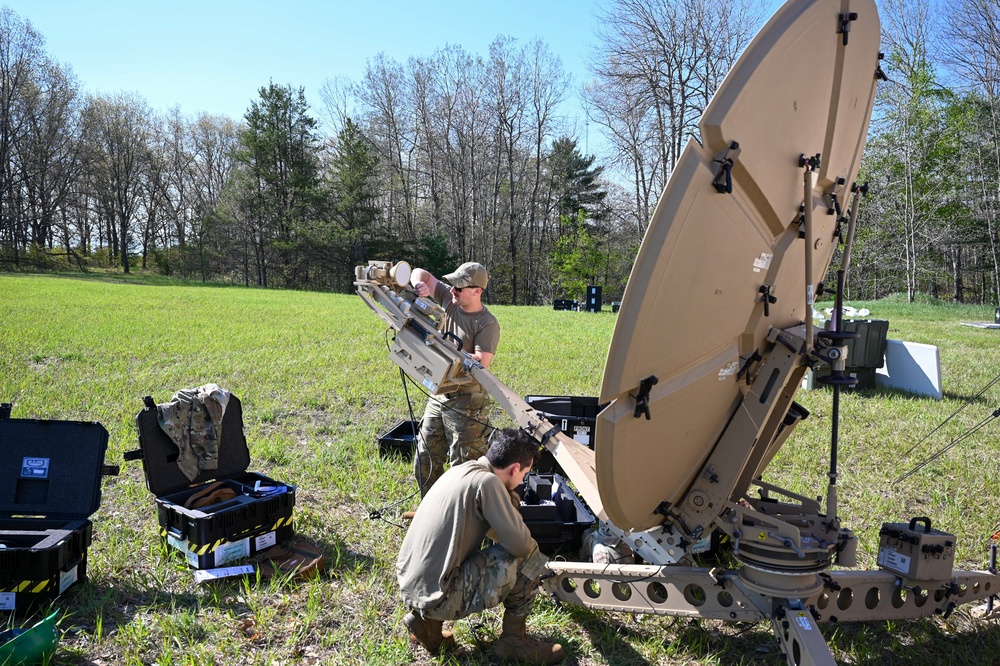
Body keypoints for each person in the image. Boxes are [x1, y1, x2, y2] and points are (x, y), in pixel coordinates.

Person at [396, 428, 565, 664]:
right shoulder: (488, 483)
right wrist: (511, 499)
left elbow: (495, 533)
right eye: (524, 474)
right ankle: (513, 642)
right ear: (515, 468)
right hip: (439, 596)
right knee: (530, 557)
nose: (522, 481)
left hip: (414, 586)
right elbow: (520, 545)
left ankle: (429, 625)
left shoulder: (462, 470)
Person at [408, 261, 500, 496]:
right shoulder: (450, 301)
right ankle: (430, 511)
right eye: (452, 286)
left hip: (467, 402)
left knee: (464, 467)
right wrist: (419, 285)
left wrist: (443, 346)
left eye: (459, 288)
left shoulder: (486, 323)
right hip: (440, 394)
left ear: (477, 291)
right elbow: (423, 274)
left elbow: (481, 361)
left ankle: (464, 521)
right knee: (425, 457)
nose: (452, 291)